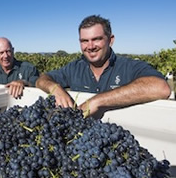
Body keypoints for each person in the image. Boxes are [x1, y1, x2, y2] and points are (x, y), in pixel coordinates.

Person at [36, 15, 171, 119]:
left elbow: (161, 88)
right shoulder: (74, 68)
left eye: (97, 39)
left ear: (110, 40)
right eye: (84, 41)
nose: (90, 46)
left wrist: (97, 102)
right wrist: (56, 89)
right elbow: (42, 80)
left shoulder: (129, 66)